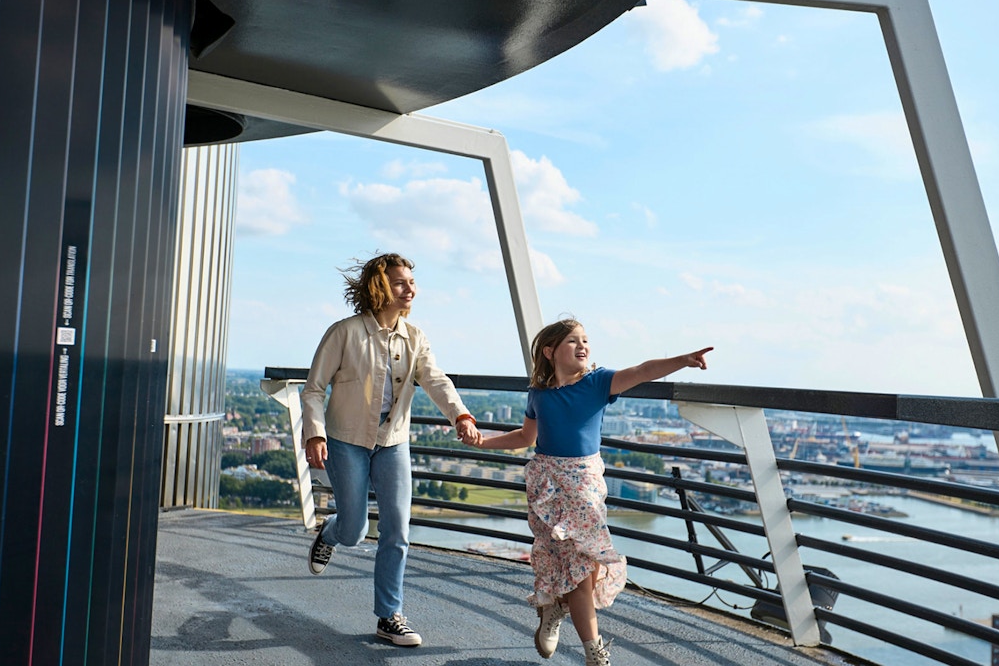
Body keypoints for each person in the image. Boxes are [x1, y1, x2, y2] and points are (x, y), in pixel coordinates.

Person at [469, 318, 712, 666]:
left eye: (586, 340)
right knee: (574, 568)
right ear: (550, 352)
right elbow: (526, 438)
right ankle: (589, 647)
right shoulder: (538, 394)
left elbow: (643, 370)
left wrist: (682, 359)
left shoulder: (599, 383)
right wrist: (484, 442)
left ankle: (562, 616)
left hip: (585, 487)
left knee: (585, 568)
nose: (583, 346)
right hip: (548, 487)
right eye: (573, 341)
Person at [300, 253, 482, 648]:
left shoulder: (415, 338)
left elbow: (436, 380)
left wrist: (460, 415)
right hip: (346, 441)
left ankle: (389, 616)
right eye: (401, 283)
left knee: (397, 531)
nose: (410, 289)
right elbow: (314, 389)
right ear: (379, 288)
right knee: (355, 531)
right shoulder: (343, 333)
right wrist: (315, 434)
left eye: (411, 283)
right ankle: (330, 534)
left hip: (393, 443)